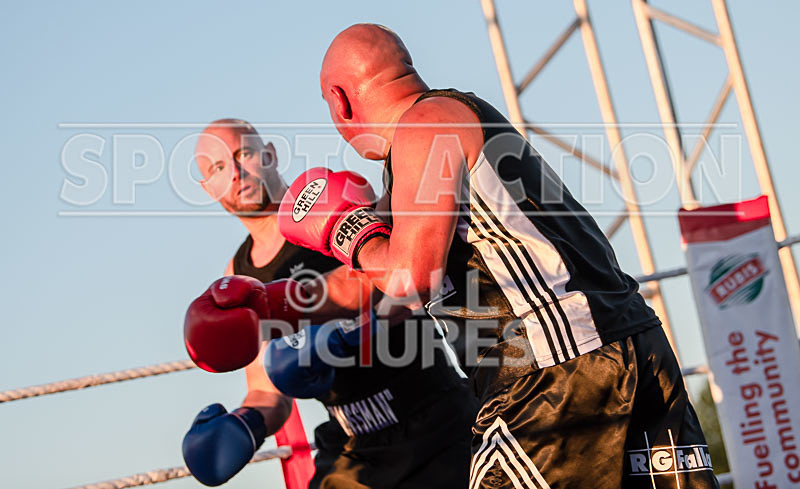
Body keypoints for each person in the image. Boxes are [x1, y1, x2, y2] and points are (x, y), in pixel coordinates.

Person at [274, 24, 719, 488]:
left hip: (554, 374)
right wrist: (269, 302)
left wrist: (345, 228)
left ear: (340, 100)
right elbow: (377, 276)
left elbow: (408, 276)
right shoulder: (444, 125)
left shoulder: (425, 127)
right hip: (628, 348)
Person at [181, 119, 476, 488]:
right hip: (352, 443)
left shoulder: (328, 204)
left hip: (434, 416)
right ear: (209, 188)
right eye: (219, 168)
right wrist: (246, 424)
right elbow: (267, 391)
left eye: (244, 154)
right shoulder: (240, 275)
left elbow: (408, 280)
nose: (237, 173)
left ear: (269, 154)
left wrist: (345, 335)